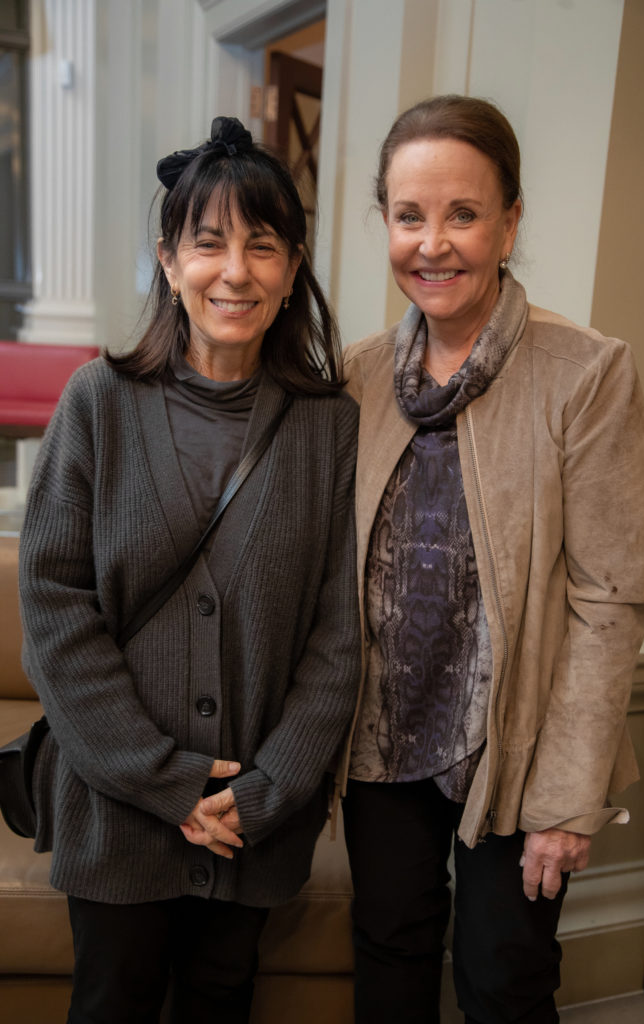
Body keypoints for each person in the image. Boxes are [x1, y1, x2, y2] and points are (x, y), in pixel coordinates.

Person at [19, 116, 359, 1024]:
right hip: (118, 810)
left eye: (262, 244)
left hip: (253, 823)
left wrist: (262, 793)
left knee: (219, 1004)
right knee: (112, 1004)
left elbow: (339, 633)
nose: (235, 270)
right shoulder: (100, 402)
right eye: (207, 244)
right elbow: (55, 608)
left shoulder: (328, 426)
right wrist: (167, 781)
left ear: (292, 269)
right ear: (169, 262)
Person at [341, 95, 644, 1024]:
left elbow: (609, 598)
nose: (432, 243)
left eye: (463, 214)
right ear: (386, 223)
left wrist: (567, 799)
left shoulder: (586, 371)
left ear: (509, 221)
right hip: (380, 735)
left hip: (515, 743)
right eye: (409, 215)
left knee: (504, 975)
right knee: (389, 954)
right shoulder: (357, 375)